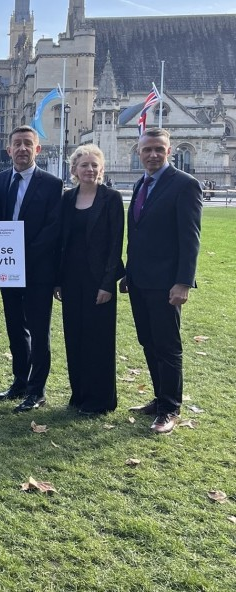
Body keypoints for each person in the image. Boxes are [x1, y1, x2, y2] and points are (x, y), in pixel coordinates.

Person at [122, 128, 203, 434]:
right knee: (148, 342)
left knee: (167, 346)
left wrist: (183, 282)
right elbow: (138, 235)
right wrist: (129, 275)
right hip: (140, 281)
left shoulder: (185, 185)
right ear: (139, 152)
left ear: (168, 151)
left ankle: (170, 408)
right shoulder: (141, 183)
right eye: (147, 150)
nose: (153, 154)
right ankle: (159, 398)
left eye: (159, 149)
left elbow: (190, 238)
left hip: (167, 283)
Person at [0, 126, 62, 412]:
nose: (22, 149)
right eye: (17, 144)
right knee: (15, 328)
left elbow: (53, 229)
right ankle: (20, 381)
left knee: (38, 329)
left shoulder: (52, 184)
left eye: (27, 144)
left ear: (37, 150)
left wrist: (21, 255)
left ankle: (37, 389)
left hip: (37, 270)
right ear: (9, 150)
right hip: (8, 271)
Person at [54, 145, 124, 414]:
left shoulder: (111, 199)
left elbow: (115, 244)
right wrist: (57, 280)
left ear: (101, 169)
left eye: (95, 165)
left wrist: (108, 284)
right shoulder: (67, 199)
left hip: (99, 281)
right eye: (85, 165)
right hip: (72, 279)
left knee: (99, 340)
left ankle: (100, 400)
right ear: (74, 170)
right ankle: (80, 394)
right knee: (75, 337)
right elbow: (62, 243)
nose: (90, 170)